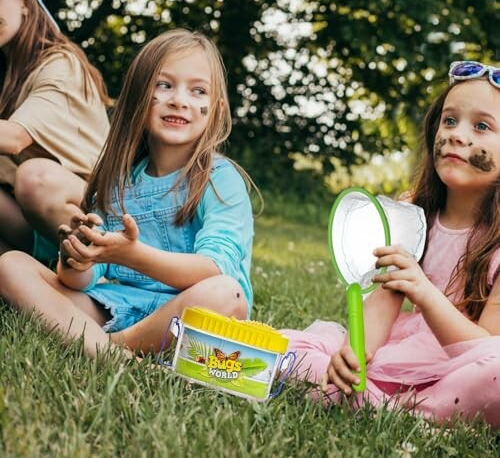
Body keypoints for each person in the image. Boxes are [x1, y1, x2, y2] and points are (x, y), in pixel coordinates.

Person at [0, 28, 255, 359]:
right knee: (11, 266)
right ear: (138, 98)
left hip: (190, 312)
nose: (179, 99)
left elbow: (213, 269)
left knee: (226, 293)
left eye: (198, 91)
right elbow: (85, 280)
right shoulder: (118, 183)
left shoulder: (220, 179)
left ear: (216, 110)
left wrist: (131, 254)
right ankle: (118, 346)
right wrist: (76, 257)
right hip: (119, 305)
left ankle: (108, 349)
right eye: (164, 86)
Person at [281, 61, 500, 427]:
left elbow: (486, 348)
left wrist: (426, 294)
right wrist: (355, 352)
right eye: (449, 120)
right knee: (295, 349)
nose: (458, 135)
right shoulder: (411, 214)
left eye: (481, 126)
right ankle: (369, 397)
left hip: (457, 374)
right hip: (399, 360)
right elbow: (382, 304)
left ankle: (383, 407)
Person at [0, 0, 109, 262]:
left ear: (24, 0)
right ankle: (30, 275)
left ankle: (109, 271)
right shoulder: (11, 74)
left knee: (35, 179)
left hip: (100, 216)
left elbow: (14, 138)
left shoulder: (61, 65)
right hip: (41, 225)